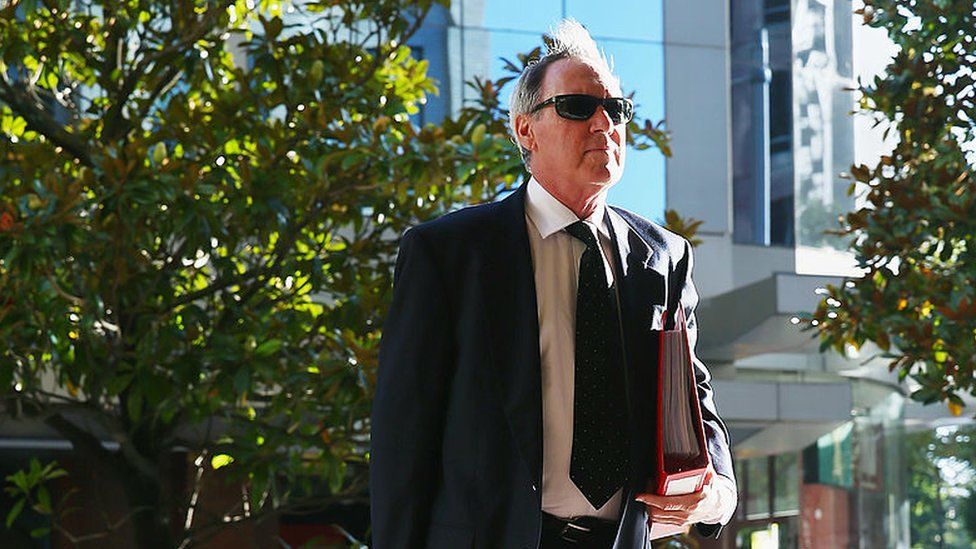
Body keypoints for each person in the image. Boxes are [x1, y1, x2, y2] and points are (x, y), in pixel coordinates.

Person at [370, 19, 737, 549]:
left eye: (616, 110)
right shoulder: (449, 253)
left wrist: (717, 492)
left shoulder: (663, 256)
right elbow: (403, 437)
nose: (602, 124)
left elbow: (692, 398)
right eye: (577, 107)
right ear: (525, 130)